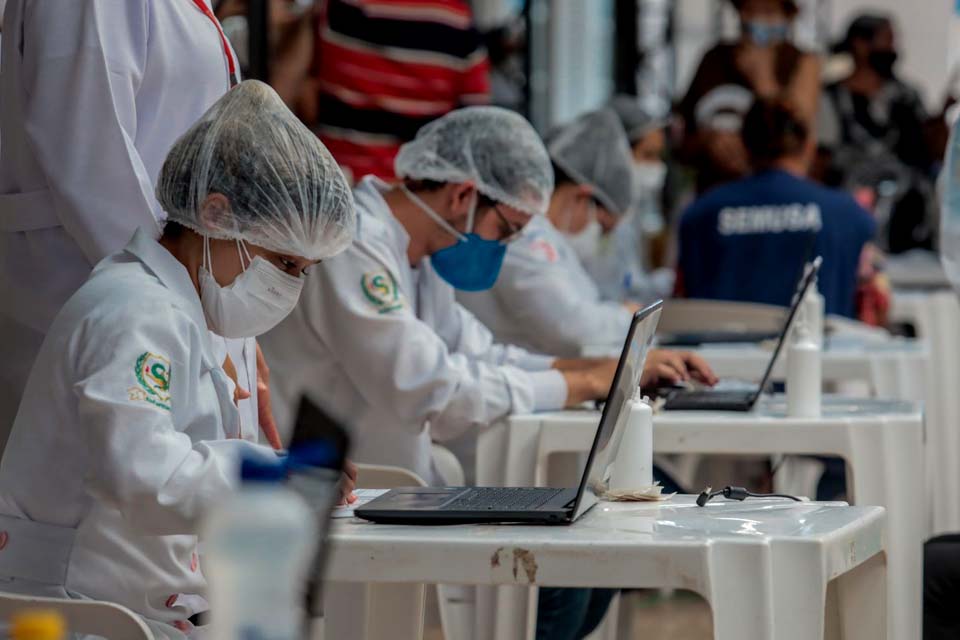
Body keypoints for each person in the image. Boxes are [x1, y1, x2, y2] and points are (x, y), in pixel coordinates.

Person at [259, 106, 702, 639]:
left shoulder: (421, 254)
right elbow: (434, 389)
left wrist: (605, 369)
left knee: (587, 559)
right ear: (464, 196)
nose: (504, 247)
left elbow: (485, 355)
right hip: (350, 495)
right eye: (506, 230)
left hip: (407, 485)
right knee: (565, 579)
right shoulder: (355, 243)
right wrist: (582, 383)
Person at [0, 81, 356, 639]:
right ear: (215, 215)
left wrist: (289, 476)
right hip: (75, 611)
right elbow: (148, 476)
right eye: (285, 264)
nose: (291, 287)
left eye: (303, 271)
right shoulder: (136, 311)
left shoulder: (177, 309)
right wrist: (273, 480)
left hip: (134, 602)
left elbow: (176, 460)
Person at [0, 0, 271, 454]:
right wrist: (195, 315)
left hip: (173, 287)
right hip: (98, 290)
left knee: (193, 489)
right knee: (118, 485)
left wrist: (228, 321)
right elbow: (93, 168)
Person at [457, 108, 711, 369]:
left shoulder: (546, 238)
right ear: (581, 196)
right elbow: (572, 328)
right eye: (601, 226)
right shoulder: (523, 235)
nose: (598, 237)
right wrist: (626, 316)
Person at [677, 98, 876, 319]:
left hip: (717, 351)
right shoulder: (848, 214)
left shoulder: (701, 213)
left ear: (745, 145)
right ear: (809, 145)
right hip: (819, 349)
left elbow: (684, 290)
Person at [306, 0, 491, 181]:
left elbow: (303, 103)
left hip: (338, 185)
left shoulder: (335, 9)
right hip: (416, 194)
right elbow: (474, 130)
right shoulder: (457, 21)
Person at [819, 13, 938, 253]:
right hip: (849, 216)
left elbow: (925, 149)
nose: (893, 49)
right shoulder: (830, 97)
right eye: (887, 40)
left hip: (907, 225)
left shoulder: (906, 96)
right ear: (860, 45)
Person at [677, 0, 819, 195]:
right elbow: (680, 137)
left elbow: (798, 131)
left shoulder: (802, 62)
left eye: (768, 11)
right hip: (716, 191)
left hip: (773, 195)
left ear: (788, 15)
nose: (754, 18)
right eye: (748, 9)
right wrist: (709, 140)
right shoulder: (714, 59)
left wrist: (763, 81)